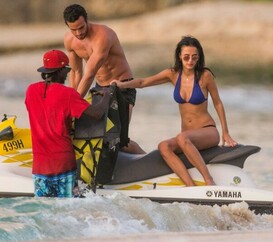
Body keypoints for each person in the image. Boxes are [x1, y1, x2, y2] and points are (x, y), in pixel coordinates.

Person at [111, 36, 237, 186]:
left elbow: (218, 103)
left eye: (194, 57)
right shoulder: (173, 75)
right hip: (186, 137)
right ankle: (190, 186)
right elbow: (143, 82)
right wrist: (121, 85)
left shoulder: (205, 76)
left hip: (207, 131)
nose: (190, 61)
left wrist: (225, 132)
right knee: (164, 146)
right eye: (186, 57)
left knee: (182, 138)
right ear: (179, 56)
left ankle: (209, 181)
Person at [25, 50, 113, 197]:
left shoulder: (31, 91)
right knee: (68, 210)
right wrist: (107, 97)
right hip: (63, 165)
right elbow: (97, 114)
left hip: (39, 168)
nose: (66, 75)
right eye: (66, 70)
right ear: (59, 71)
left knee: (45, 211)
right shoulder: (67, 94)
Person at [63, 4, 145, 154]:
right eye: (73, 29)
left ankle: (146, 162)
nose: (78, 33)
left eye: (81, 27)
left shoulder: (103, 36)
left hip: (121, 87)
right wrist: (71, 99)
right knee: (92, 135)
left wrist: (72, 104)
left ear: (87, 20)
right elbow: (76, 72)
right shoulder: (70, 41)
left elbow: (89, 73)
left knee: (119, 140)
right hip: (99, 88)